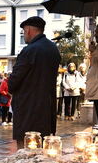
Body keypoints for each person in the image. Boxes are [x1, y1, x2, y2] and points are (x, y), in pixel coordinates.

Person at [6, 17, 61, 147]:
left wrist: (10, 84)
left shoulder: (29, 50)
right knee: (42, 144)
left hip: (27, 106)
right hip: (46, 106)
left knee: (25, 147)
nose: (24, 35)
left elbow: (14, 81)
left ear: (29, 30)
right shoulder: (53, 49)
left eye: (24, 32)